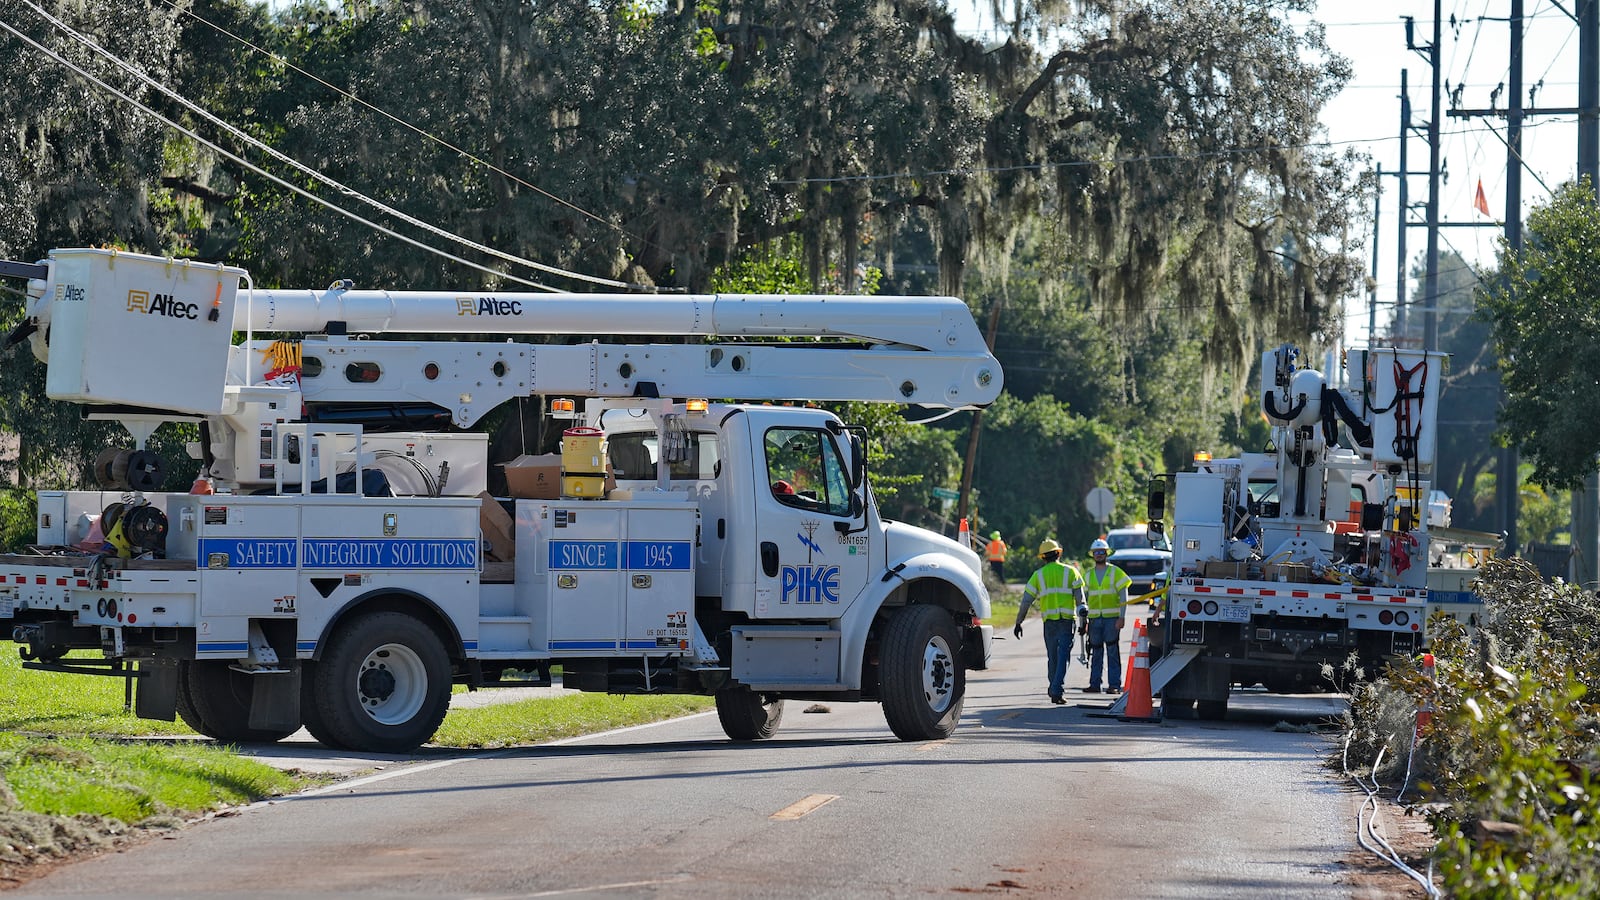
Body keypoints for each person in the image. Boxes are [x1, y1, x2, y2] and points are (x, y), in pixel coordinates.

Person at [1011, 538, 1085, 705]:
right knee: (1063, 656)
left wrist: (1018, 623)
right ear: (1059, 553)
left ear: (1043, 557)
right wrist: (1084, 622)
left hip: (1049, 623)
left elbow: (1025, 602)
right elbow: (1081, 601)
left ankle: (1054, 688)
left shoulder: (1038, 576)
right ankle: (1056, 689)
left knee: (1053, 657)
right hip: (1067, 621)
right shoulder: (1071, 572)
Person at [1083, 537, 1133, 694]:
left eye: (1102, 552)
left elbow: (1124, 596)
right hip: (1094, 619)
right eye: (1096, 552)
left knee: (1112, 651)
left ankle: (1114, 685)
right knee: (1096, 651)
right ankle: (1094, 684)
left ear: (1107, 554)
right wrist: (1084, 622)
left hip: (1112, 619)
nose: (1099, 554)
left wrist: (1122, 616)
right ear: (1092, 554)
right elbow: (1084, 600)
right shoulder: (1088, 575)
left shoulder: (1115, 572)